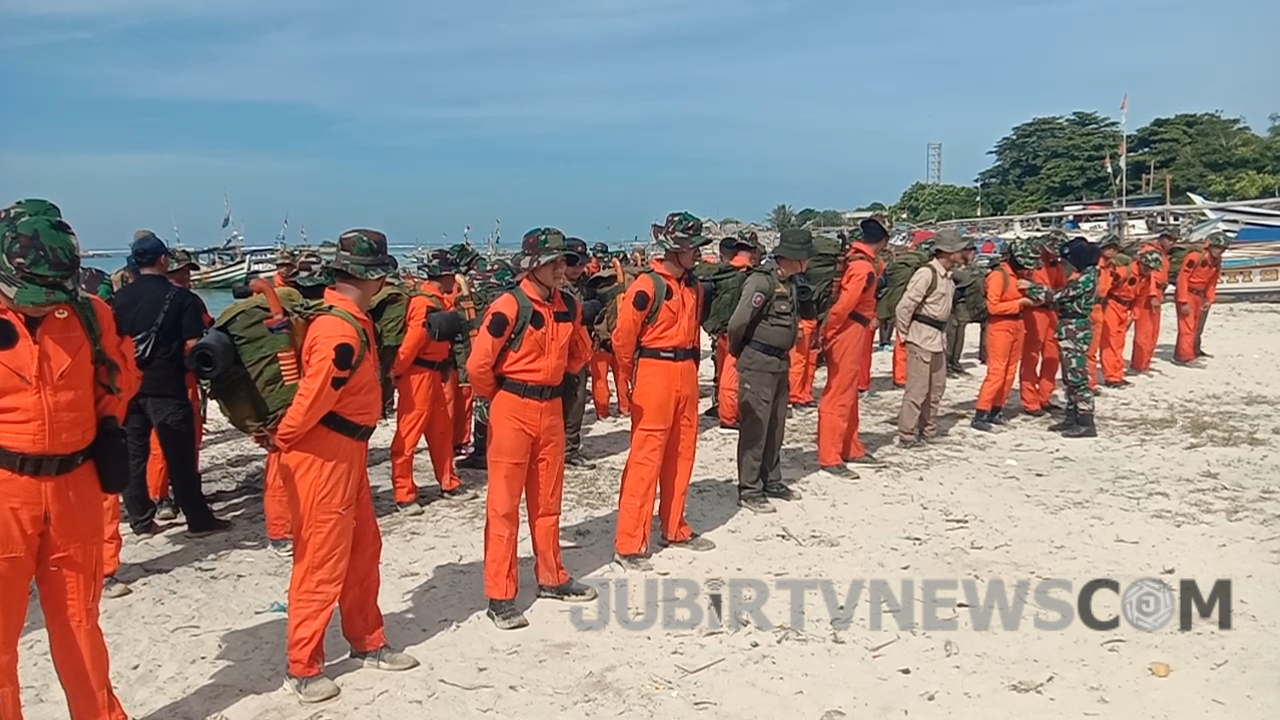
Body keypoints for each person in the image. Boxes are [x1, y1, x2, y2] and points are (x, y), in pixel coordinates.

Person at [258, 228, 419, 703]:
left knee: (363, 548)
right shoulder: (338, 330)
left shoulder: (349, 320)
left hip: (346, 452)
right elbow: (312, 399)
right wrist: (284, 439)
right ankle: (303, 666)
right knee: (322, 561)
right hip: (323, 454)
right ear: (372, 278)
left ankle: (367, 639)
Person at [0, 201, 138, 720]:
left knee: (80, 622)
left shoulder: (88, 314)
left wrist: (104, 433)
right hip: (5, 490)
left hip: (75, 486)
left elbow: (117, 382)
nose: (42, 307)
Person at [465, 228, 597, 630]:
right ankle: (501, 595)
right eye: (552, 262)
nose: (560, 269)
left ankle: (552, 576)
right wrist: (498, 399)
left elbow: (579, 355)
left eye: (563, 262)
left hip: (551, 408)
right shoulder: (509, 306)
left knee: (548, 500)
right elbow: (478, 366)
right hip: (512, 407)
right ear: (532, 266)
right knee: (503, 507)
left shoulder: (568, 305)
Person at [613, 212, 716, 571]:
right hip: (655, 372)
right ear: (675, 249)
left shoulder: (694, 286)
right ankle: (629, 543)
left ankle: (675, 527)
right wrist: (628, 379)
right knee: (646, 458)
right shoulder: (647, 287)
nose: (698, 253)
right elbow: (623, 339)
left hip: (686, 372)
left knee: (683, 452)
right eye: (693, 247)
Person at [111, 231, 230, 537]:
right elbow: (192, 344)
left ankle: (141, 520)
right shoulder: (181, 298)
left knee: (134, 456)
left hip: (128, 386)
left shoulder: (119, 298)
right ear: (164, 260)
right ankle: (198, 519)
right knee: (180, 457)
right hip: (167, 384)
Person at [730, 229, 812, 513]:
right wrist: (740, 351)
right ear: (794, 257)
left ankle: (771, 479)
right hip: (758, 362)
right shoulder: (761, 282)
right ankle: (749, 488)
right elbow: (738, 323)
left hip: (779, 362)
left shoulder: (789, 283)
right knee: (756, 426)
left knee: (776, 425)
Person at [389, 257, 471, 515]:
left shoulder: (437, 301)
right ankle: (404, 493)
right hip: (418, 374)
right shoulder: (425, 303)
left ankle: (448, 481)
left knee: (441, 430)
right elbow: (413, 341)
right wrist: (397, 371)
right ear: (444, 276)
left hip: (433, 372)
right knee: (409, 434)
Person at [817, 217, 891, 476]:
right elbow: (843, 306)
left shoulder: (857, 261)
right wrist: (829, 332)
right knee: (838, 393)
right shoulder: (862, 268)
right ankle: (830, 456)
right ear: (884, 241)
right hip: (848, 329)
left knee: (848, 392)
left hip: (852, 328)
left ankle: (850, 447)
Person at [144, 248, 209, 523]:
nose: (185, 277)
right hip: (178, 378)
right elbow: (199, 341)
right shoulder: (185, 301)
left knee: (175, 439)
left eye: (187, 272)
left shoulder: (144, 297)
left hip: (151, 379)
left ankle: (171, 494)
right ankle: (165, 496)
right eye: (179, 272)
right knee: (171, 440)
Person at [895, 230, 967, 446]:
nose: (963, 253)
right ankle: (907, 435)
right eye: (959, 249)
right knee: (917, 391)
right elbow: (904, 307)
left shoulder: (947, 275)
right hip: (921, 336)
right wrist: (905, 335)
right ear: (948, 251)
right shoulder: (927, 273)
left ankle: (928, 431)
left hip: (937, 338)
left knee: (936, 389)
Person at [972, 238, 1040, 431]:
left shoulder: (1020, 275)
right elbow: (992, 307)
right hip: (1000, 326)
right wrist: (1020, 303)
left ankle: (996, 409)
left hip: (1018, 324)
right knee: (997, 371)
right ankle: (980, 413)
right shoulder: (998, 275)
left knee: (1010, 371)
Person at [1046, 237, 1102, 437]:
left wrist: (1031, 287)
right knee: (1070, 377)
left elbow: (1059, 296)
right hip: (1070, 327)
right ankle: (1072, 417)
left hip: (1075, 328)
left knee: (1077, 377)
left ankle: (1086, 422)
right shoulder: (1086, 275)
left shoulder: (1087, 278)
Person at [714, 232, 759, 430]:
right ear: (752, 253)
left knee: (724, 371)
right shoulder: (749, 275)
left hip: (721, 330)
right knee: (732, 375)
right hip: (738, 332)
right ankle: (729, 416)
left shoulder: (723, 273)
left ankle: (725, 410)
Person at [1019, 235, 1066, 415]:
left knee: (1052, 357)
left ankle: (1044, 396)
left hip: (1052, 311)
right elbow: (1022, 286)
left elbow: (1061, 287)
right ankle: (1030, 401)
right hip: (1034, 311)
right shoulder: (1029, 262)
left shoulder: (1056, 264)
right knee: (1031, 357)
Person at [561, 236, 597, 469]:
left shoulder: (586, 284)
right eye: (573, 263)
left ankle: (570, 449)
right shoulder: (553, 285)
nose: (578, 268)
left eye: (582, 263)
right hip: (557, 352)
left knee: (577, 402)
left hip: (579, 352)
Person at [1100, 251, 1159, 388]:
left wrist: (1133, 316)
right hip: (1111, 304)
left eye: (1151, 268)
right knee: (1110, 342)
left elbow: (1140, 299)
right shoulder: (1123, 272)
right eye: (1147, 267)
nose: (1148, 270)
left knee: (1119, 343)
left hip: (1124, 308)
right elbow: (1104, 290)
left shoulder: (1146, 278)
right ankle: (1111, 377)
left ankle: (1117, 374)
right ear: (1141, 263)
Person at [1174, 232, 1228, 364]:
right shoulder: (1195, 257)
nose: (1218, 251)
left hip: (1199, 295)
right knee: (1187, 327)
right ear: (1210, 246)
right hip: (1187, 293)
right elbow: (1182, 278)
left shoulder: (1216, 261)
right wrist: (1183, 301)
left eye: (1221, 249)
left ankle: (1188, 352)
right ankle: (1185, 357)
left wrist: (1209, 299)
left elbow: (1212, 281)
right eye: (1216, 247)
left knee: (1195, 327)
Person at [1130, 229, 1175, 372]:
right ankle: (1139, 364)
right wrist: (1153, 294)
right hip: (1148, 294)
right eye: (1169, 239)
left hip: (1158, 292)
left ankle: (1145, 362)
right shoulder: (1150, 251)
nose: (1172, 243)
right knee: (1145, 330)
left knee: (1153, 331)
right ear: (1161, 238)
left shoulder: (1162, 253)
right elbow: (1150, 277)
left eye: (1174, 240)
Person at [1087, 235, 1123, 391]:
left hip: (1101, 307)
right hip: (1088, 306)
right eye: (1109, 247)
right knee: (1089, 348)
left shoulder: (1111, 267)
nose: (1112, 251)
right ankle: (1088, 383)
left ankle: (1093, 381)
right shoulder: (1092, 264)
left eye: (1115, 248)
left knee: (1096, 346)